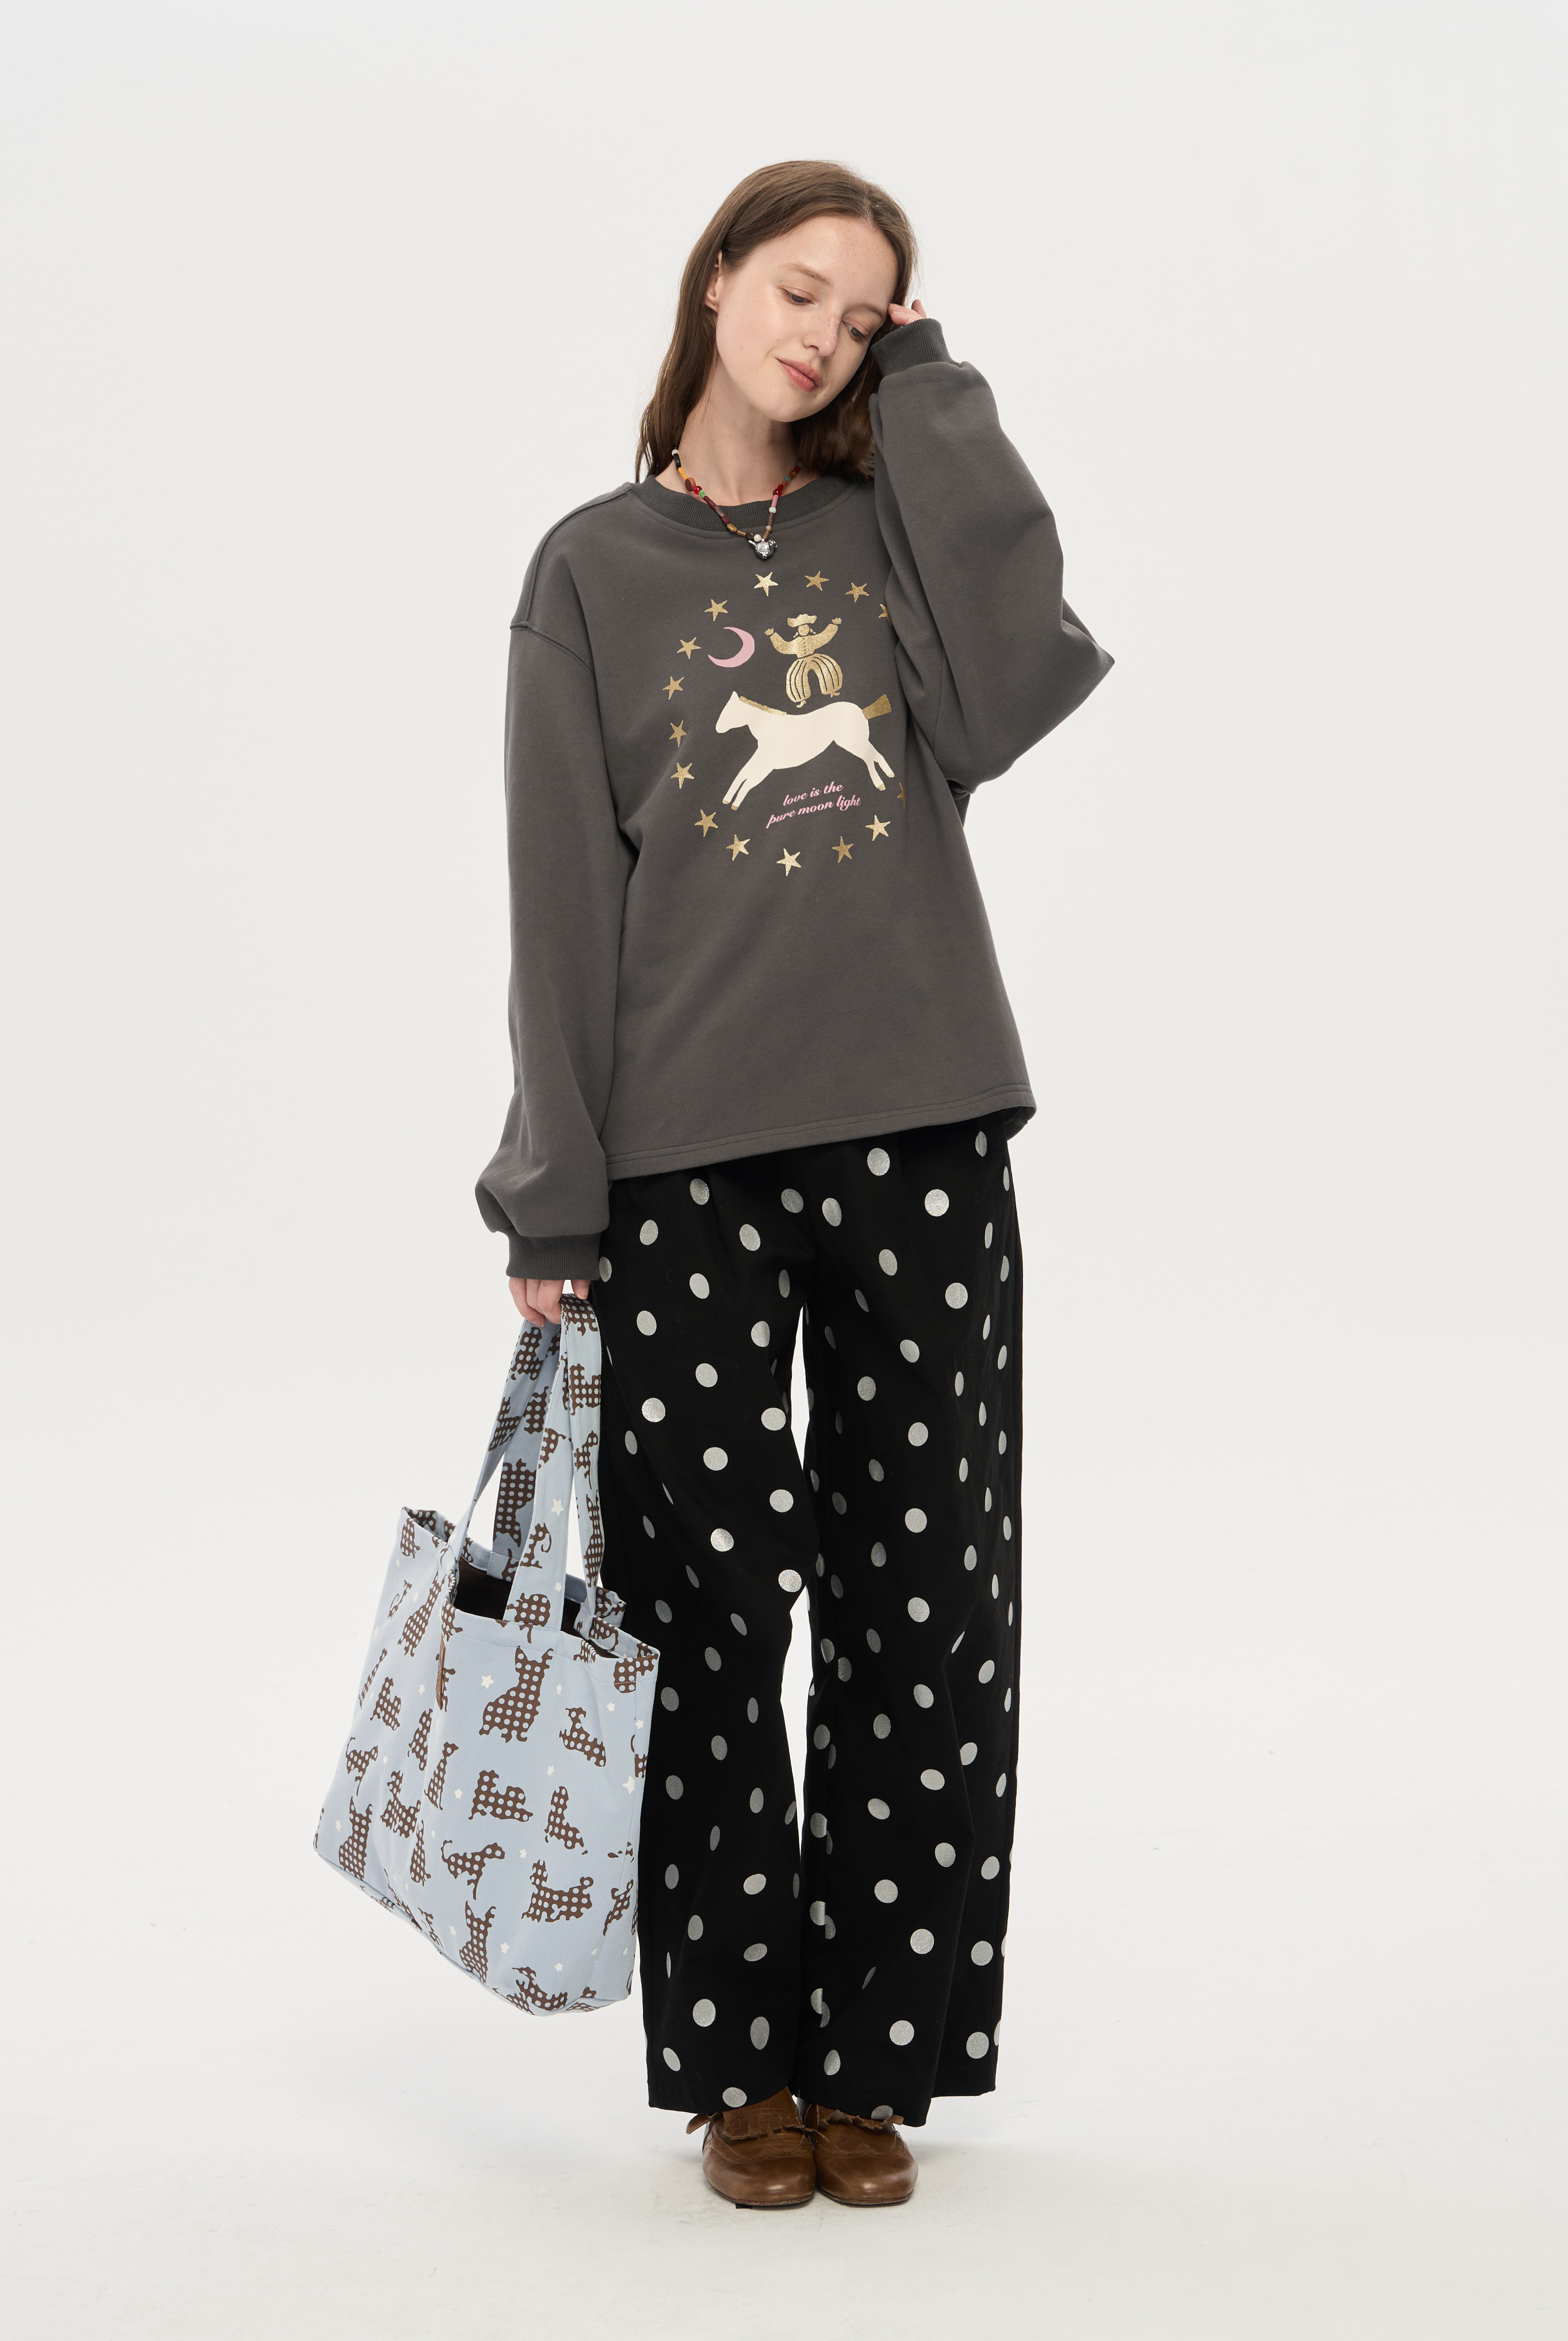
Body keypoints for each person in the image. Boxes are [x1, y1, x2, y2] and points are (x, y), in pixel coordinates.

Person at [475, 159, 1112, 2208]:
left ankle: (875, 2060)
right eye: (800, 287)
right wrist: (553, 1192)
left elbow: (1016, 683)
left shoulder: (889, 518)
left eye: (865, 312)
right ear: (718, 281)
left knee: (929, 1603)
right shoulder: (589, 569)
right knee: (712, 1607)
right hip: (684, 1170)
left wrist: (933, 395)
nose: (821, 332)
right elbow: (561, 901)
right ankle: (742, 2064)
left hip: (924, 1127)